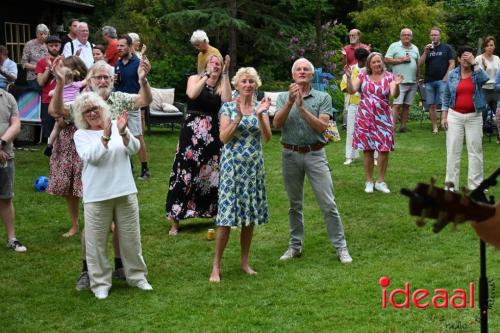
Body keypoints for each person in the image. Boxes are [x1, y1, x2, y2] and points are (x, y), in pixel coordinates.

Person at [72, 92, 152, 299]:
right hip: (97, 195)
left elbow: (134, 149)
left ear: (102, 108)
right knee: (96, 242)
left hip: (125, 191)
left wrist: (123, 133)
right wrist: (105, 137)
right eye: (86, 111)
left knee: (131, 238)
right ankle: (99, 283)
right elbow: (93, 158)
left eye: (95, 108)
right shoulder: (81, 135)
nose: (92, 113)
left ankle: (137, 277)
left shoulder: (117, 124)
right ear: (82, 116)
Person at [273, 58, 352, 263]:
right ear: (293, 75)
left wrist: (301, 108)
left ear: (311, 75)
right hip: (290, 154)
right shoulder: (283, 97)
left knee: (328, 203)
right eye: (298, 69)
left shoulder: (322, 97)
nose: (301, 72)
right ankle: (294, 246)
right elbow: (276, 124)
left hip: (315, 154)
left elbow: (322, 127)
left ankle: (341, 247)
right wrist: (291, 102)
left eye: (306, 69)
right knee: (294, 204)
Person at [209, 67, 272, 283]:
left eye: (251, 82)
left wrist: (262, 115)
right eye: (244, 81)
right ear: (237, 85)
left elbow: (268, 137)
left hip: (253, 167)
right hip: (232, 167)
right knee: (226, 218)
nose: (247, 85)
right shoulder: (227, 108)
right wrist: (237, 118)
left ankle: (244, 262)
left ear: (256, 85)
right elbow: (224, 138)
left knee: (249, 217)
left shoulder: (259, 107)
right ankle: (216, 266)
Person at [165, 54, 231, 235]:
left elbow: (227, 100)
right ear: (206, 64)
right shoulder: (195, 78)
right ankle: (175, 221)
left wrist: (225, 74)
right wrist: (205, 76)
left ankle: (211, 212)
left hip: (212, 133)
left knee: (211, 172)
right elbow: (192, 94)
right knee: (185, 172)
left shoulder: (221, 85)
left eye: (219, 64)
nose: (216, 66)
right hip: (192, 131)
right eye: (213, 63)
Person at [345, 53, 403, 194]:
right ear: (369, 64)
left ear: (382, 63)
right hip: (365, 118)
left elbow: (394, 94)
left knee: (384, 150)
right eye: (374, 62)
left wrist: (398, 85)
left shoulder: (390, 76)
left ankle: (381, 181)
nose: (377, 64)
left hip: (383, 118)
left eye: (379, 62)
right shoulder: (363, 75)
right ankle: (369, 181)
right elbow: (352, 90)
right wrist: (348, 77)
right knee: (368, 150)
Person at [441, 46, 489, 191]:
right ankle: (450, 186)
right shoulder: (453, 74)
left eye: (469, 56)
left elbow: (485, 79)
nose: (466, 59)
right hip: (454, 116)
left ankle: (476, 185)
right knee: (453, 150)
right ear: (458, 59)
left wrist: (475, 64)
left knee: (475, 150)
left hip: (474, 116)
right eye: (464, 57)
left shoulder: (477, 73)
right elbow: (446, 96)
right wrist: (444, 116)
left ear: (473, 58)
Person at [114, 34, 150, 179]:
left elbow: (143, 83)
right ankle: (127, 166)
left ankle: (145, 169)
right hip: (119, 104)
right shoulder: (118, 63)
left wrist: (141, 102)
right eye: (117, 46)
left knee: (137, 136)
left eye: (122, 46)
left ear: (130, 47)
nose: (119, 48)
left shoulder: (138, 63)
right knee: (120, 135)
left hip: (133, 104)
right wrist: (115, 81)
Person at [0, 89, 26, 252]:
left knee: (6, 198)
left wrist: (1, 142)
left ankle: (12, 238)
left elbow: (16, 125)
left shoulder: (8, 97)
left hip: (5, 156)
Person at [45, 61, 87, 156]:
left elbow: (50, 94)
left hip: (63, 107)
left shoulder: (59, 88)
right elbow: (86, 81)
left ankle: (49, 144)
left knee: (56, 129)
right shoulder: (76, 85)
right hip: (73, 107)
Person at [418, 27, 455, 134]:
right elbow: (419, 64)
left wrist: (446, 78)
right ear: (430, 36)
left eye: (436, 35)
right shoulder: (427, 49)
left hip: (442, 81)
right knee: (431, 105)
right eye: (432, 35)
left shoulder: (446, 48)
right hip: (429, 81)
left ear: (440, 36)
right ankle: (435, 127)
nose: (434, 36)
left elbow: (452, 64)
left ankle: (446, 124)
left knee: (445, 103)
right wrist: (425, 52)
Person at [385, 28, 420, 133]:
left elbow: (417, 64)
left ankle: (403, 126)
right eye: (404, 35)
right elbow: (386, 59)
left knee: (407, 105)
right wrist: (401, 60)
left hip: (412, 81)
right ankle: (392, 127)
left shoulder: (415, 48)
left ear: (411, 37)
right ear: (400, 36)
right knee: (397, 105)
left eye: (408, 35)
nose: (406, 36)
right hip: (398, 82)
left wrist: (418, 77)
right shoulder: (394, 46)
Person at [340, 47, 369, 165]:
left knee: (370, 131)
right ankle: (349, 156)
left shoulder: (371, 70)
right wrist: (354, 89)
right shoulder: (350, 69)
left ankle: (375, 157)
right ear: (357, 59)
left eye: (365, 59)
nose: (363, 62)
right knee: (351, 131)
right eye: (361, 60)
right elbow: (343, 87)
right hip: (353, 104)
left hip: (368, 105)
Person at [35, 35, 62, 141]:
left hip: (63, 99)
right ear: (47, 47)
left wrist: (59, 66)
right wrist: (48, 68)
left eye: (56, 45)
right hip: (47, 100)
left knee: (63, 127)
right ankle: (51, 153)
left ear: (60, 46)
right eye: (51, 46)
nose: (54, 48)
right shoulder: (41, 62)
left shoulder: (65, 61)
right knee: (50, 129)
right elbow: (40, 82)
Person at [475, 36, 500, 140]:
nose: (490, 47)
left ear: (494, 46)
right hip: (484, 90)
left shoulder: (497, 58)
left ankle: (499, 136)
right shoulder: (479, 59)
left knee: (498, 114)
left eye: (492, 45)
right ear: (484, 47)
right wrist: (484, 68)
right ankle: (478, 137)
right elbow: (476, 75)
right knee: (482, 115)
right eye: (487, 45)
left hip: (495, 90)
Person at [21, 24, 49, 90]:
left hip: (46, 77)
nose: (43, 36)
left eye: (45, 34)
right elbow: (24, 63)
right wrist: (39, 68)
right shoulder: (29, 44)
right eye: (41, 34)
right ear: (37, 34)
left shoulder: (47, 45)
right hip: (33, 77)